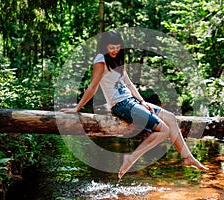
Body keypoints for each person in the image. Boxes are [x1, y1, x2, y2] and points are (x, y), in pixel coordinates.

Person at [60, 30, 208, 179]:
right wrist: (77, 108)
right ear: (105, 47)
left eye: (117, 47)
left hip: (132, 101)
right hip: (121, 105)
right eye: (112, 47)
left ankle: (188, 157)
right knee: (164, 131)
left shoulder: (119, 58)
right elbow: (92, 87)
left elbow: (128, 83)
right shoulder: (100, 61)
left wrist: (142, 101)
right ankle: (130, 158)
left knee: (171, 118)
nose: (115, 50)